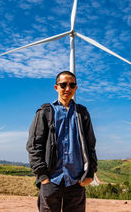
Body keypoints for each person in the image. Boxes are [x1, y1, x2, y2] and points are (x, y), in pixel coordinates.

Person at [27, 71, 97, 212]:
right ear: (56, 87)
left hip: (76, 181)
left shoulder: (82, 113)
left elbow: (91, 145)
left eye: (72, 85)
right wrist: (43, 176)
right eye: (63, 85)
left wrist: (90, 174)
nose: (67, 89)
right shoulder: (45, 112)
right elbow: (34, 145)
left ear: (76, 88)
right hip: (51, 180)